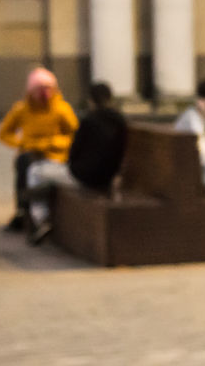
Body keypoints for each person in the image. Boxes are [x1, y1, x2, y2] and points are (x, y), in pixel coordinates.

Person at [24, 81, 129, 245]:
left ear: (91, 100)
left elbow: (73, 154)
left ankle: (40, 220)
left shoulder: (88, 121)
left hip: (82, 177)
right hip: (107, 178)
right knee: (47, 174)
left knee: (35, 170)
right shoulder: (121, 122)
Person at [0, 67, 78, 232]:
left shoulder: (61, 109)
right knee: (24, 163)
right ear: (31, 91)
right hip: (31, 153)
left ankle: (30, 212)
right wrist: (21, 143)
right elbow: (4, 133)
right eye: (40, 90)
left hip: (55, 155)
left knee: (30, 167)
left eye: (48, 89)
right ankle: (23, 210)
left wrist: (55, 142)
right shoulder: (22, 109)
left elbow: (75, 135)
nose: (44, 94)